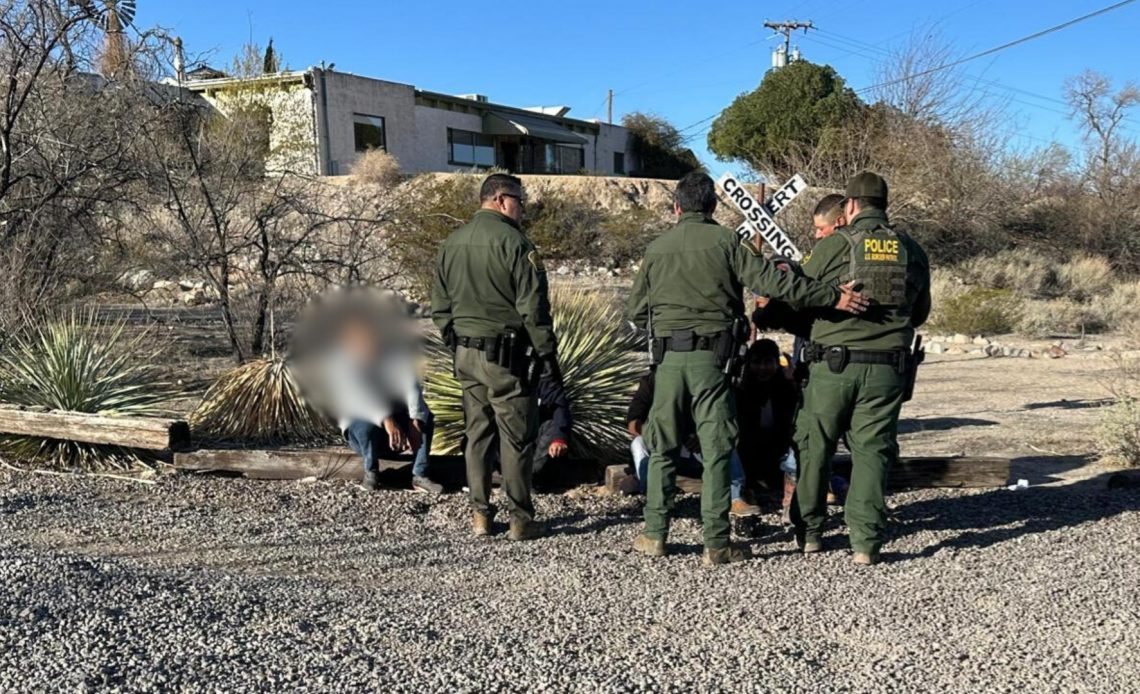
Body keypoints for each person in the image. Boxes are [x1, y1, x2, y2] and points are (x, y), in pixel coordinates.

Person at [626, 171, 869, 565]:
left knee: (663, 446)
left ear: (676, 207)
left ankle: (655, 534)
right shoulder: (727, 242)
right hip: (712, 363)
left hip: (667, 364)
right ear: (711, 206)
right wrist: (831, 296)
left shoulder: (656, 249)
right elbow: (775, 284)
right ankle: (716, 542)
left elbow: (637, 310)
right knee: (717, 449)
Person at [790, 171, 931, 566]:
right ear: (884, 204)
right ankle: (865, 544)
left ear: (850, 205)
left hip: (832, 367)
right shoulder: (912, 250)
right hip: (888, 370)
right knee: (872, 452)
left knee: (815, 446)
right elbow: (919, 313)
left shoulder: (835, 244)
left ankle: (810, 534)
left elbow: (798, 295)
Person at [431, 173, 560, 541]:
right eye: (520, 200)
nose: (523, 208)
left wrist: (455, 341)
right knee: (516, 436)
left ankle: (480, 515)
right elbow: (533, 309)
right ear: (502, 199)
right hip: (507, 358)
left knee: (478, 435)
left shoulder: (451, 243)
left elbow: (440, 306)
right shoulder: (516, 244)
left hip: (466, 355)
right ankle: (520, 519)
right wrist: (547, 354)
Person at [625, 370, 760, 516]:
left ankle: (736, 497)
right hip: (664, 444)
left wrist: (703, 436)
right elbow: (633, 423)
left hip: (698, 447)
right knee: (638, 443)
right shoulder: (651, 382)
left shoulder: (706, 378)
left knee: (722, 441)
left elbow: (724, 418)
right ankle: (653, 496)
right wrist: (661, 434)